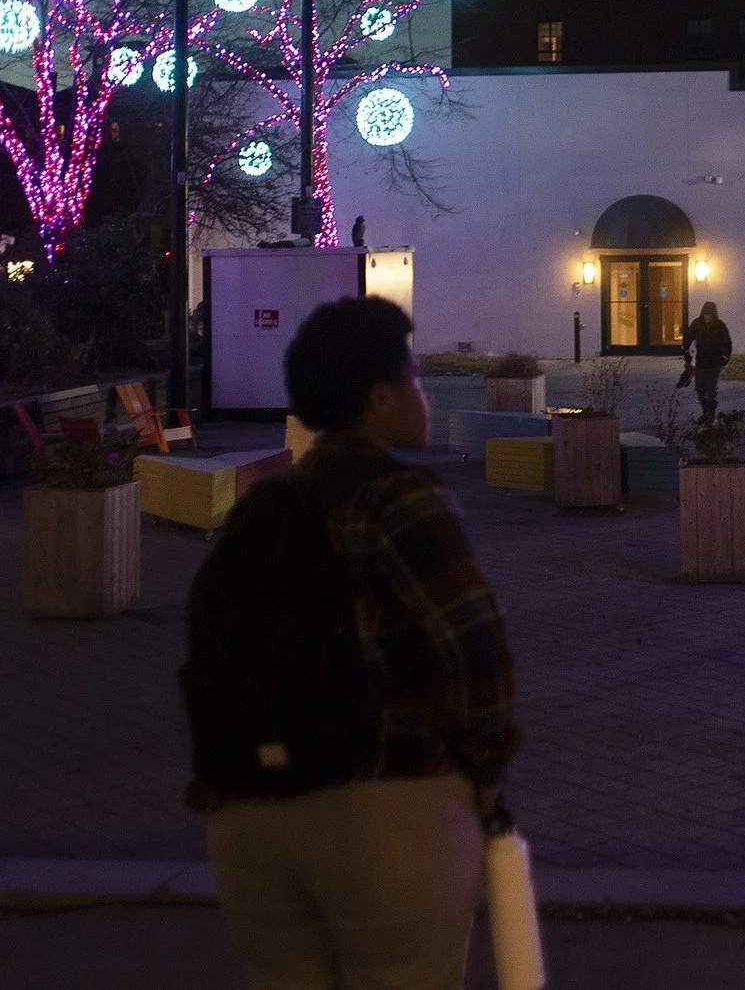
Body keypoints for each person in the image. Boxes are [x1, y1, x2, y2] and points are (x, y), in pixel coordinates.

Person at [189, 296, 519, 990]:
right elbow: (472, 651)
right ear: (379, 398)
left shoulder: (263, 506)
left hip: (249, 816)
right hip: (381, 810)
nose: (424, 397)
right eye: (416, 382)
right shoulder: (400, 499)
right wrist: (485, 775)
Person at [682, 299, 732, 420]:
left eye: (709, 315)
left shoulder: (720, 326)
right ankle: (706, 411)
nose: (707, 317)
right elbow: (688, 339)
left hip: (715, 362)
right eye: (705, 315)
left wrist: (724, 359)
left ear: (713, 315)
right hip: (701, 361)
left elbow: (727, 343)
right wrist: (687, 357)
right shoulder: (697, 324)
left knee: (711, 390)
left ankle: (710, 415)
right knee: (700, 390)